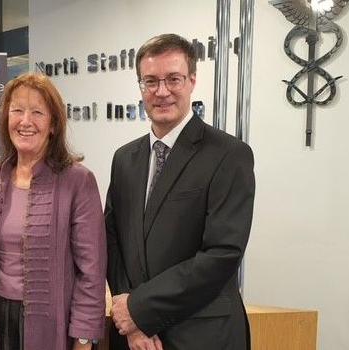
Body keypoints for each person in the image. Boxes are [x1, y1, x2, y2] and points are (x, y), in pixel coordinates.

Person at [105, 34, 256, 350]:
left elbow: (222, 254)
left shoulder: (229, 155)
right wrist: (129, 317)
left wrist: (140, 310)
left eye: (173, 79)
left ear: (192, 81)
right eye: (150, 81)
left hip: (200, 335)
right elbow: (113, 241)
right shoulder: (124, 159)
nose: (161, 92)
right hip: (134, 338)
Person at [0, 72, 107, 350]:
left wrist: (84, 338)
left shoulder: (78, 181)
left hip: (53, 326)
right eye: (17, 110)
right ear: (6, 119)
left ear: (53, 124)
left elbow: (91, 271)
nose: (25, 121)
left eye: (37, 112)